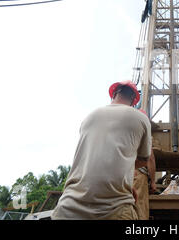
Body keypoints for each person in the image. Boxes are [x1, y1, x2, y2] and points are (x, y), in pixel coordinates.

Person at [51, 80, 151, 220]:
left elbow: (92, 155)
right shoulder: (141, 118)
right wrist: (125, 181)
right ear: (134, 100)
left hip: (68, 208)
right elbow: (143, 160)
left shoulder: (89, 117)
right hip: (115, 210)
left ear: (114, 93)